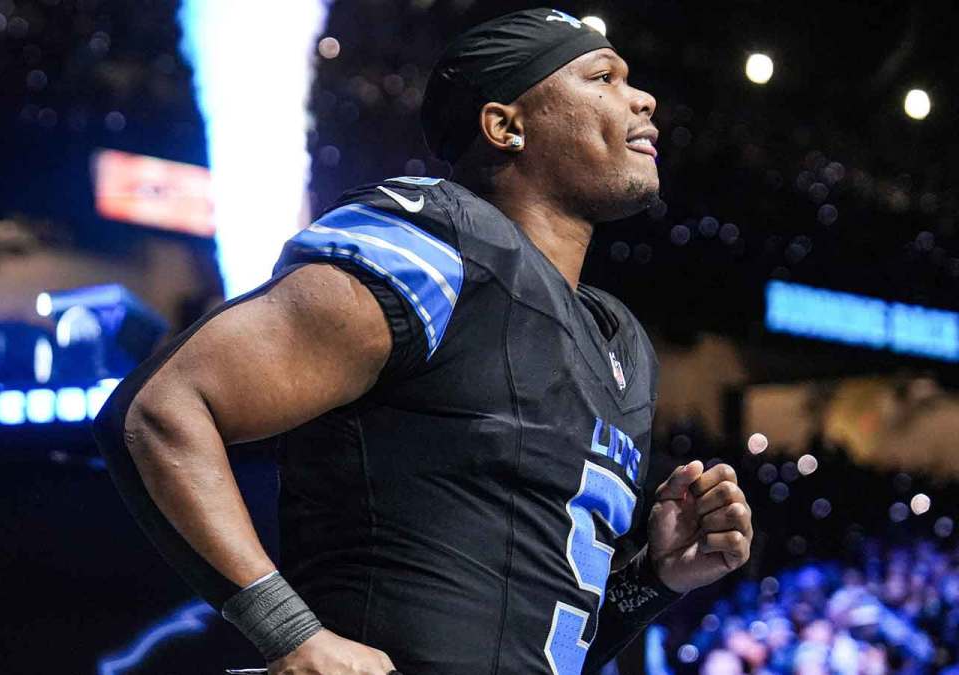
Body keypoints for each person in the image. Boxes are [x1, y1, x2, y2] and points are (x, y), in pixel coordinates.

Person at [93, 7, 754, 675]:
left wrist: (657, 576)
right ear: (506, 125)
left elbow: (536, 643)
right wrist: (292, 634)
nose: (643, 98)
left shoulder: (620, 346)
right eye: (602, 78)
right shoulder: (438, 248)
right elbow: (161, 409)